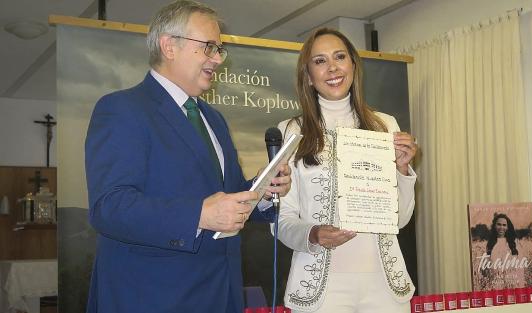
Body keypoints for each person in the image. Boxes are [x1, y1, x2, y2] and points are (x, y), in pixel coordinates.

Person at [84, 1, 291, 312]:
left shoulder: (214, 119)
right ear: (169, 45)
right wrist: (199, 214)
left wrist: (263, 192)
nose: (217, 59)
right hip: (153, 298)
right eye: (209, 47)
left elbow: (229, 193)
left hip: (221, 293)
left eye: (219, 50)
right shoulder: (122, 109)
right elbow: (109, 207)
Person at [275, 28, 418, 313]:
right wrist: (313, 233)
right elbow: (281, 219)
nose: (333, 68)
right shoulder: (292, 131)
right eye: (320, 61)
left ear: (353, 64)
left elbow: (399, 220)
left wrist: (402, 170)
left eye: (340, 57)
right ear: (308, 76)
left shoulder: (385, 125)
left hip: (385, 286)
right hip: (320, 290)